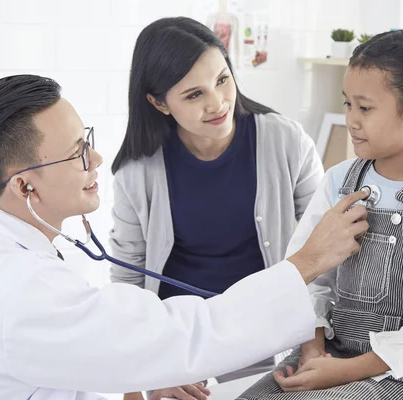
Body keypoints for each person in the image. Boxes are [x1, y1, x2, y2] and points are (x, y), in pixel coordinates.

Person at [0, 74, 369, 400]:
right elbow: (187, 335)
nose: (96, 157)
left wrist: (140, 368)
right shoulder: (19, 290)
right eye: (76, 152)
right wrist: (308, 262)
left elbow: (68, 356)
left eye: (87, 139)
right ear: (25, 186)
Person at [237, 30, 403, 400]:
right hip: (330, 351)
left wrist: (343, 372)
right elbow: (308, 279)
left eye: (366, 108)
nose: (352, 120)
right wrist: (313, 351)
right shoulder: (338, 181)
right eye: (348, 105)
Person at [108, 17, 324, 398]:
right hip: (180, 348)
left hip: (268, 337)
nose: (217, 103)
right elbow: (128, 283)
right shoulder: (135, 172)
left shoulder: (285, 141)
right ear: (158, 102)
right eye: (194, 95)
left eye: (222, 80)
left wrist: (313, 342)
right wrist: (142, 376)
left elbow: (324, 250)